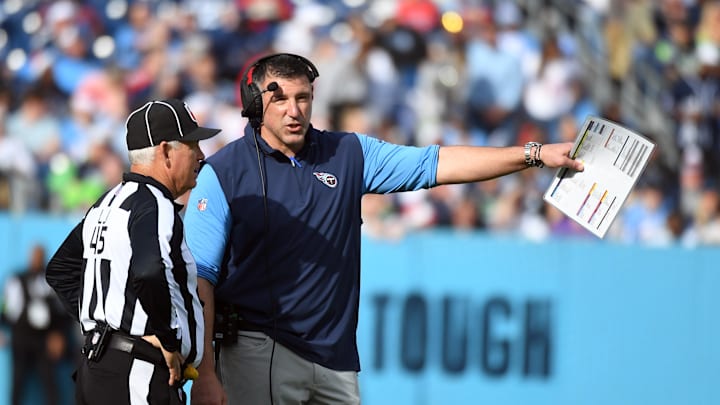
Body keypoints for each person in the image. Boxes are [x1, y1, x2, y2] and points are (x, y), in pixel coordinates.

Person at [183, 53, 585, 405]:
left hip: (335, 360)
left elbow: (438, 164)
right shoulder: (222, 173)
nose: (294, 110)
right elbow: (201, 280)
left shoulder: (348, 153)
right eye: (280, 98)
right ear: (255, 104)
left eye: (303, 97)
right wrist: (206, 374)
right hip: (257, 350)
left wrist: (534, 154)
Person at [45, 98, 220, 404]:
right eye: (192, 145)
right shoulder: (154, 203)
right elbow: (149, 270)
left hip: (99, 367)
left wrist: (105, 327)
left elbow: (60, 270)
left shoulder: (107, 202)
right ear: (166, 151)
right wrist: (166, 338)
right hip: (136, 372)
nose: (201, 155)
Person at [1, 243, 71, 405]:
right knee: (17, 382)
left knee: (50, 384)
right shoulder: (16, 280)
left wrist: (59, 335)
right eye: (35, 255)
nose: (37, 259)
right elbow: (7, 309)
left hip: (44, 340)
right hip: (21, 339)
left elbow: (61, 313)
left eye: (40, 256)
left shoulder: (51, 281)